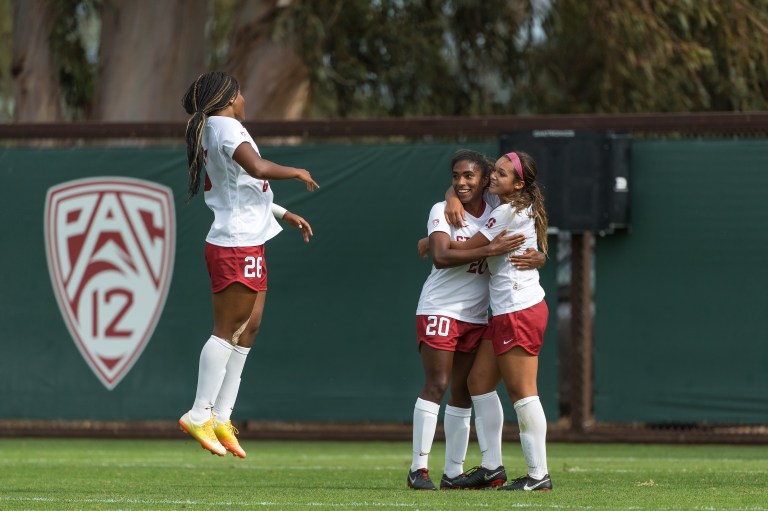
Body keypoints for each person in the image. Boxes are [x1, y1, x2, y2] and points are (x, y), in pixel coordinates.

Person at [178, 71, 319, 458]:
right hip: (235, 245)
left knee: (249, 327)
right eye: (239, 93)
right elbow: (256, 168)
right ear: (226, 98)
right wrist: (296, 171)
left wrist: (282, 211)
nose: (243, 99)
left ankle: (222, 415)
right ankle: (199, 412)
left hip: (247, 240)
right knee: (226, 330)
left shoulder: (216, 127)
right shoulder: (225, 126)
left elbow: (240, 189)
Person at [409, 150, 540, 490]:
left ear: (485, 181)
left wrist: (539, 255)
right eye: (455, 177)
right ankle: (417, 470)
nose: (461, 182)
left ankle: (454, 472)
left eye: (470, 176)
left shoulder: (499, 210)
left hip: (480, 315)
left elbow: (526, 233)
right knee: (437, 384)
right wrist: (486, 248)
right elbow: (439, 256)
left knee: (465, 392)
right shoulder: (443, 209)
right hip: (441, 308)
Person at [446, 151, 553, 491]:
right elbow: (465, 188)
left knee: (523, 393)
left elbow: (465, 250)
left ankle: (538, 476)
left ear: (518, 184)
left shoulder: (507, 210)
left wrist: (429, 242)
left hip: (518, 309)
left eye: (503, 174)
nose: (494, 177)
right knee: (478, 382)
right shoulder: (512, 203)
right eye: (495, 170)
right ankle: (492, 468)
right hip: (506, 310)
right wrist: (451, 196)